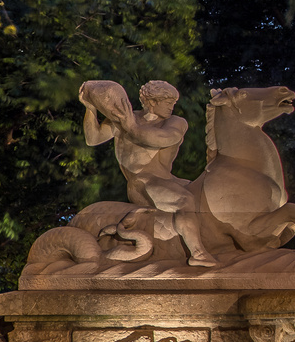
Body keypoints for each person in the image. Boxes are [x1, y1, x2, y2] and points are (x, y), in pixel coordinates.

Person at [80, 79, 218, 266]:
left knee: (206, 194)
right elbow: (93, 138)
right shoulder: (123, 119)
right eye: (168, 103)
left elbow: (164, 138)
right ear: (152, 102)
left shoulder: (175, 122)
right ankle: (198, 253)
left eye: (173, 103)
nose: (172, 107)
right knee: (184, 201)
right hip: (142, 183)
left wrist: (132, 127)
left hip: (168, 180)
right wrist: (90, 108)